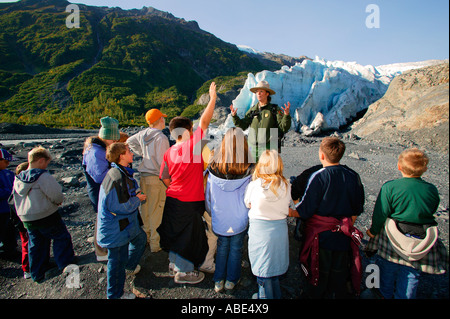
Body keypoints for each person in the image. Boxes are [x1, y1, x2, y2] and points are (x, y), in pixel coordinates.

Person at [365, 148, 448, 299]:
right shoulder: (431, 189)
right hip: (420, 238)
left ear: (399, 166)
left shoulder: (390, 187)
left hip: (393, 236)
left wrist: (373, 231)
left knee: (387, 268)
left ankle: (383, 293)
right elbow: (432, 208)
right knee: (411, 273)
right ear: (425, 168)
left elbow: (381, 213)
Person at [290, 137, 365, 298]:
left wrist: (289, 212)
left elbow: (305, 210)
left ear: (322, 155)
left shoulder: (318, 177)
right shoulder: (353, 176)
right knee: (339, 272)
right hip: (343, 236)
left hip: (321, 236)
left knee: (318, 272)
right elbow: (357, 207)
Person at [158, 81, 217, 285]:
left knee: (175, 232)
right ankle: (183, 273)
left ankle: (174, 264)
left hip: (173, 198)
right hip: (189, 201)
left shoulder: (168, 152)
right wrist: (212, 99)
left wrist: (176, 186)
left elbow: (165, 178)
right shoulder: (192, 147)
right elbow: (205, 121)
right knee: (188, 236)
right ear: (188, 130)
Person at [12, 146, 75, 283]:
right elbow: (56, 195)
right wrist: (57, 202)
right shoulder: (42, 176)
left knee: (36, 244)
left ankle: (37, 272)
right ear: (41, 161)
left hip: (27, 218)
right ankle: (65, 265)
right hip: (46, 215)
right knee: (61, 237)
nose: (47, 165)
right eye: (47, 162)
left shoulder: (19, 178)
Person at [205, 127, 254, 293]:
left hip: (220, 215)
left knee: (222, 246)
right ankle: (231, 281)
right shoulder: (249, 166)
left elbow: (208, 195)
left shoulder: (213, 165)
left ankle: (218, 280)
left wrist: (211, 211)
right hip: (240, 217)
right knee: (236, 248)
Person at [96, 142, 147, 299]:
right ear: (121, 156)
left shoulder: (121, 172)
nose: (132, 153)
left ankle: (130, 267)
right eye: (129, 151)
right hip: (116, 229)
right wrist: (137, 199)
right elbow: (118, 206)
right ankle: (115, 295)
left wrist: (135, 191)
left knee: (140, 239)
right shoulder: (116, 177)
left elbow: (127, 190)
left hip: (125, 225)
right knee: (116, 264)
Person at [244, 149, 291, 299]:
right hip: (279, 230)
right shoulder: (286, 185)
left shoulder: (254, 185)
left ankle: (263, 296)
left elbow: (247, 203)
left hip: (259, 231)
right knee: (275, 267)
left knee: (263, 268)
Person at [127, 109, 170, 252]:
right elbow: (162, 163)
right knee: (157, 211)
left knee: (145, 209)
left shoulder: (142, 134)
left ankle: (145, 237)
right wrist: (168, 180)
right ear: (160, 120)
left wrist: (143, 154)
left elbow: (129, 142)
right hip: (156, 179)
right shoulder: (161, 138)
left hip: (143, 177)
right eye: (163, 118)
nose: (165, 120)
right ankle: (155, 245)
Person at [82, 116, 120, 261]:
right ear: (106, 136)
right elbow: (100, 177)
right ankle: (102, 252)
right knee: (102, 220)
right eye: (113, 139)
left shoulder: (96, 148)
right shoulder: (96, 152)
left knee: (103, 219)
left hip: (101, 191)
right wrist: (117, 167)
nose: (115, 142)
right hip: (99, 192)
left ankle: (104, 248)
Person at [230, 80, 291, 161]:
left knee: (268, 172)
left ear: (267, 93)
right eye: (257, 92)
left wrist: (286, 115)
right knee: (253, 171)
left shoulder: (274, 110)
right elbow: (243, 126)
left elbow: (283, 127)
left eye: (261, 91)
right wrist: (234, 116)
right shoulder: (252, 110)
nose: (258, 93)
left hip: (269, 147)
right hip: (253, 147)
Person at [8, 162, 31, 279]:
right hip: (26, 222)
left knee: (29, 243)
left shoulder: (15, 188)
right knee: (27, 244)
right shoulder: (22, 189)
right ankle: (27, 268)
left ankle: (31, 266)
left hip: (22, 222)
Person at [0, 148, 17, 257]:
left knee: (10, 231)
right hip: (1, 209)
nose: (8, 163)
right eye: (6, 161)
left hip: (9, 209)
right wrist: (9, 192)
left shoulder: (8, 173)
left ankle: (10, 249)